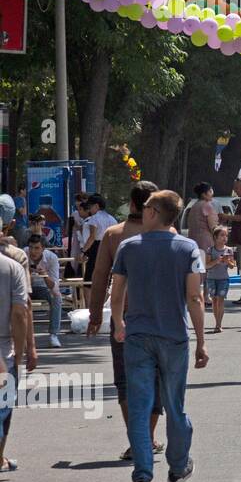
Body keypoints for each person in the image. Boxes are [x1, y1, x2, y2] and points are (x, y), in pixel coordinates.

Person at [110, 190, 209, 482]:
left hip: (137, 336)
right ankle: (178, 468)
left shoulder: (129, 247)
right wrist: (202, 341)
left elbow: (118, 291)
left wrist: (118, 323)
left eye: (145, 207)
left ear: (153, 212)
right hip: (174, 336)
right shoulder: (188, 248)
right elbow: (194, 297)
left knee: (139, 408)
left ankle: (142, 477)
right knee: (174, 406)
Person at [88, 180, 165, 460]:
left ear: (132, 204)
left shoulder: (113, 234)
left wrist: (95, 314)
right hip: (159, 319)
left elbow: (99, 278)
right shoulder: (166, 234)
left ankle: (137, 439)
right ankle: (149, 437)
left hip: (124, 319)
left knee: (125, 379)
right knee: (155, 377)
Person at [0, 246, 34, 473]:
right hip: (4, 348)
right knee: (3, 407)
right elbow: (20, 312)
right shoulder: (12, 266)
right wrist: (21, 350)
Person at [26, 233, 63, 347]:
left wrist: (45, 275)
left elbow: (53, 286)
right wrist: (29, 274)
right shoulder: (23, 254)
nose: (33, 251)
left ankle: (53, 335)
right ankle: (17, 335)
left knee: (56, 297)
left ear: (43, 248)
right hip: (26, 287)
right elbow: (19, 283)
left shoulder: (52, 258)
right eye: (31, 247)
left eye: (37, 248)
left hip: (44, 287)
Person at [204, 226, 236, 333]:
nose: (224, 238)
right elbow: (206, 266)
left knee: (221, 300)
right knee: (214, 300)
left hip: (223, 278)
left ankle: (218, 324)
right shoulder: (210, 250)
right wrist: (216, 261)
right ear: (215, 237)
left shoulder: (229, 250)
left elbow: (232, 266)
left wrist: (227, 261)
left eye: (226, 235)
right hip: (211, 278)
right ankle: (216, 322)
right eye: (222, 235)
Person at [81, 193, 115, 282]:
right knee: (106, 277)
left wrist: (83, 251)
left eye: (90, 207)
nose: (89, 210)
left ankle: (89, 296)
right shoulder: (112, 219)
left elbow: (92, 237)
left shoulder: (94, 219)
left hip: (96, 248)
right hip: (109, 247)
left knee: (88, 280)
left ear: (96, 206)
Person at [188, 182, 219, 255]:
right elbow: (213, 227)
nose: (212, 193)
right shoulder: (207, 206)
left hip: (193, 241)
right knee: (207, 265)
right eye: (210, 191)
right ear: (203, 194)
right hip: (206, 243)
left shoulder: (194, 206)